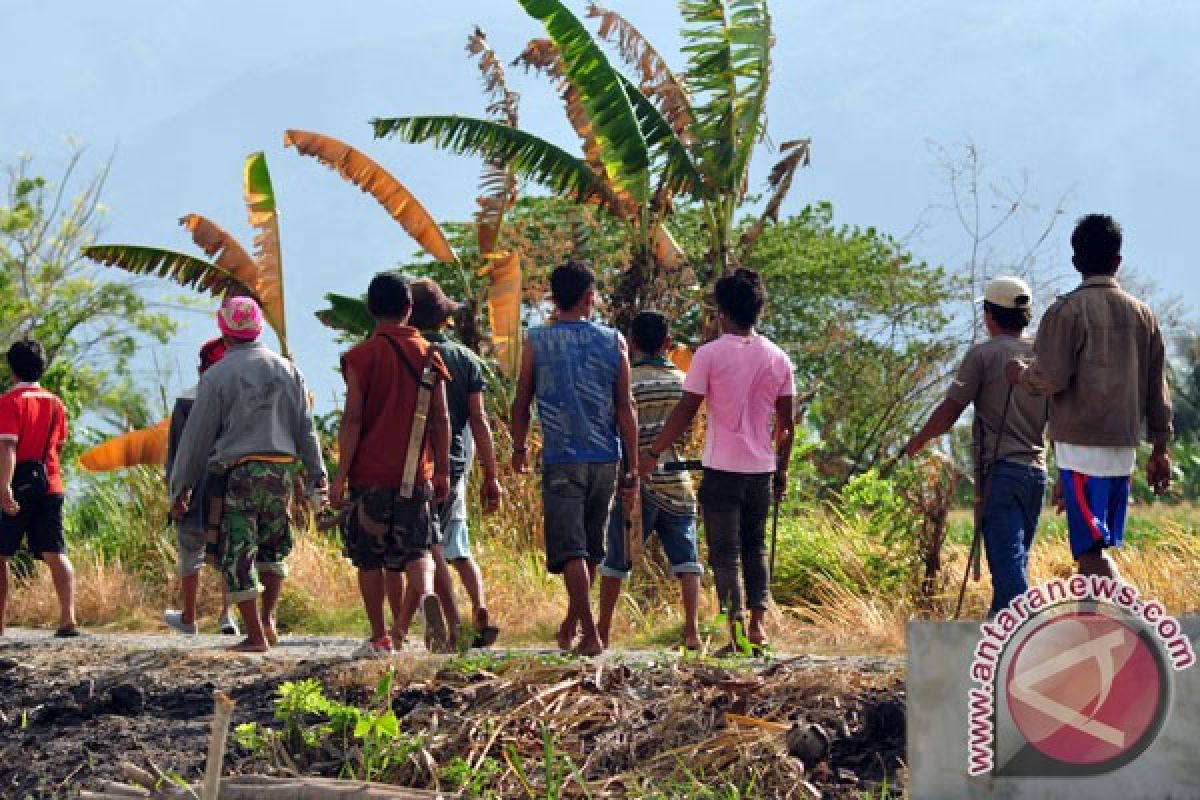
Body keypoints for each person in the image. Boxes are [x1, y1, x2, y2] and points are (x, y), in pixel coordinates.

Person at [1007, 214, 1173, 578]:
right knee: (1094, 548)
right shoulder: (1143, 315)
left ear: (1075, 263)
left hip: (1080, 447)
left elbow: (1050, 377)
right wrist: (1160, 448)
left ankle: (1137, 625)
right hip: (1123, 447)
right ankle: (1097, 629)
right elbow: (1156, 389)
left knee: (1091, 554)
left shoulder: (1066, 311)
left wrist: (1021, 375)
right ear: (1117, 262)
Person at [640, 268, 795, 653]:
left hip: (722, 469)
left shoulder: (708, 355)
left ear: (722, 312)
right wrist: (782, 469)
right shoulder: (779, 358)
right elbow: (787, 426)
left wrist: (653, 451)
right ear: (758, 310)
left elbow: (685, 411)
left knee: (724, 554)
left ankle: (737, 633)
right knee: (754, 547)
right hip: (761, 469)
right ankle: (758, 628)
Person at [169, 296, 326, 653]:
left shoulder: (218, 375)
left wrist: (181, 487)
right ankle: (269, 621)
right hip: (281, 473)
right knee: (274, 546)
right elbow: (307, 429)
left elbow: (197, 438)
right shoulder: (288, 370)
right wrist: (318, 474)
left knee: (238, 550)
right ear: (259, 328)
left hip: (239, 474)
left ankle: (255, 635)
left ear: (224, 332)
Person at [511, 260, 639, 657]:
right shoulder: (614, 340)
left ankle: (590, 633)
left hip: (562, 457)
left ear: (553, 298)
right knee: (589, 549)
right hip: (605, 457)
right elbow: (625, 407)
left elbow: (521, 402)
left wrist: (518, 448)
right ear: (589, 297)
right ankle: (575, 625)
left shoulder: (536, 341)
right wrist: (632, 466)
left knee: (571, 550)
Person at [906, 277, 1049, 615]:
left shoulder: (983, 355)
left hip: (1002, 476)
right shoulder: (1044, 357)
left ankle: (1032, 638)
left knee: (1009, 572)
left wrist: (916, 442)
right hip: (1038, 475)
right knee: (1012, 565)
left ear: (989, 315)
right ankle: (995, 656)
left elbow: (950, 410)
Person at [330, 272, 453, 657]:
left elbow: (352, 419)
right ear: (409, 309)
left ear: (369, 309)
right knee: (417, 552)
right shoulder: (430, 354)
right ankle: (411, 618)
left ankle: (380, 635)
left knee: (370, 558)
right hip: (415, 473)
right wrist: (444, 470)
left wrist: (340, 476)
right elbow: (441, 419)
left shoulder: (361, 357)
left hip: (370, 476)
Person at [597, 311, 703, 650]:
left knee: (616, 560)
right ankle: (692, 631)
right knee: (687, 560)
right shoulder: (685, 382)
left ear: (630, 344)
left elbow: (616, 429)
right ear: (668, 344)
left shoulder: (625, 382)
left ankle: (602, 630)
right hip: (677, 480)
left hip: (633, 485)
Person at [406, 279, 502, 649]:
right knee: (458, 546)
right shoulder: (465, 359)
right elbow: (479, 420)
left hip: (417, 465)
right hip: (458, 465)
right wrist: (491, 475)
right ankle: (479, 606)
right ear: (445, 318)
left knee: (427, 546)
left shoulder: (414, 352)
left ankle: (444, 619)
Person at [0, 340, 79, 637]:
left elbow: (8, 447)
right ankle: (68, 618)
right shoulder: (56, 402)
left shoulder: (9, 402)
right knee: (55, 550)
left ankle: (0, 624)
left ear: (13, 369)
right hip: (50, 484)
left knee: (2, 553)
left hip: (18, 485)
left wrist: (4, 486)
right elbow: (59, 443)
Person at [163, 337, 238, 636]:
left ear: (201, 367)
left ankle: (190, 616)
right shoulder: (236, 398)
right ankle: (227, 615)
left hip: (194, 486)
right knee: (228, 549)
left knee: (190, 548)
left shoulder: (186, 401)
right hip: (227, 485)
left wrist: (176, 491)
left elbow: (177, 453)